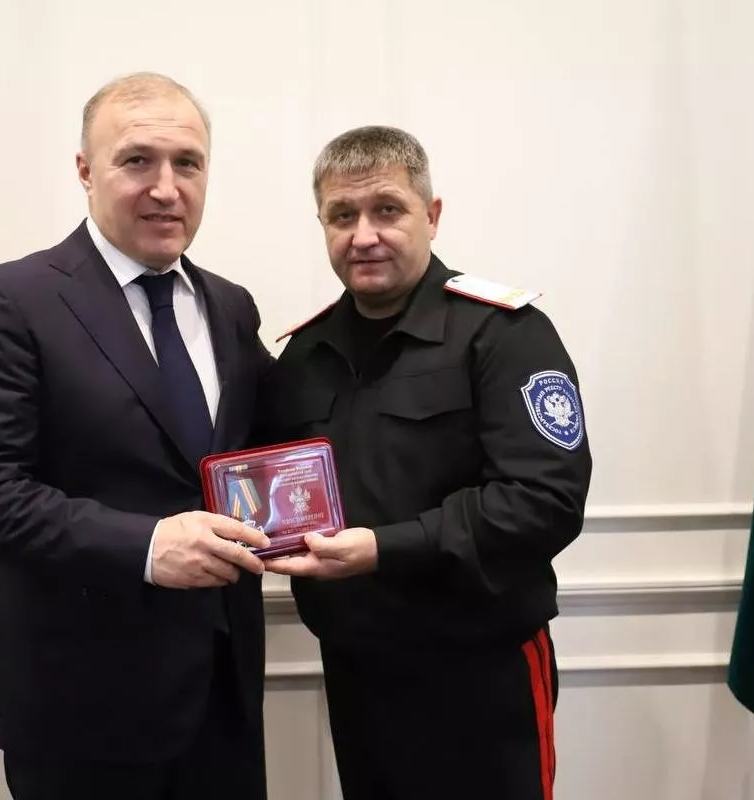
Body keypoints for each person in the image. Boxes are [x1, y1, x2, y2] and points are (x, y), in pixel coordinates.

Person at [0, 72, 273, 800]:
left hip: (224, 703)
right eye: (137, 160)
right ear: (85, 171)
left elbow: (273, 450)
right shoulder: (11, 301)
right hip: (81, 715)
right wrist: (147, 546)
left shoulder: (230, 307)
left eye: (188, 163)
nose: (166, 188)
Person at [259, 125, 593, 800]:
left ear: (431, 215)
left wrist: (383, 549)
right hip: (358, 669)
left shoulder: (504, 333)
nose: (364, 235)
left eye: (387, 209)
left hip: (480, 670)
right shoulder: (304, 353)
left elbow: (545, 501)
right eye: (342, 215)